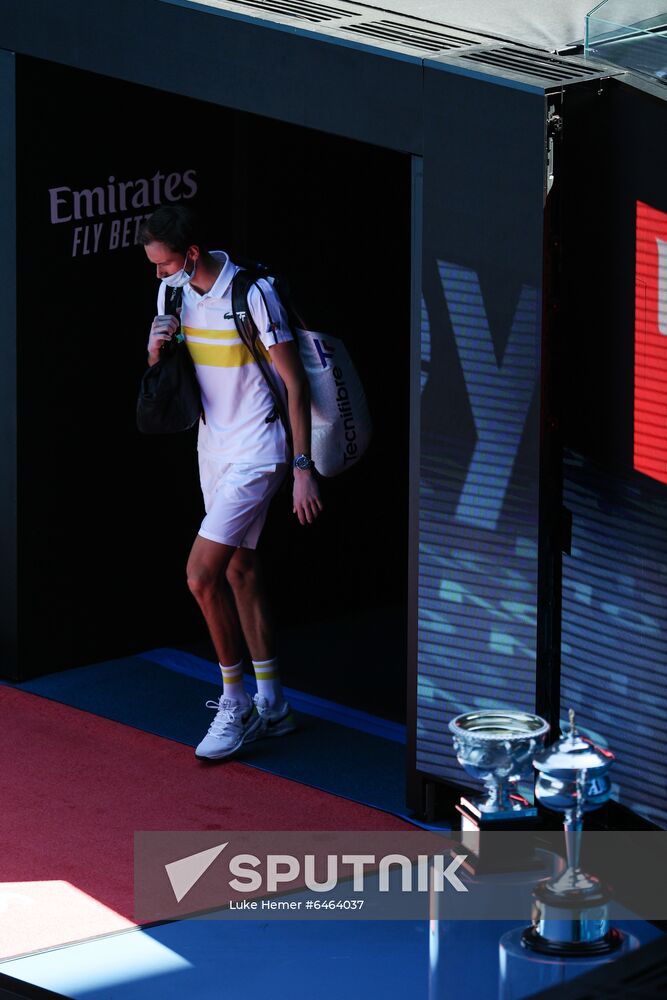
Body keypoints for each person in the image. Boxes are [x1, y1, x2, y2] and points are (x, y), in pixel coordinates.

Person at [139, 205, 322, 761]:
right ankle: (274, 706)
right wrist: (155, 351)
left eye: (164, 263)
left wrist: (302, 468)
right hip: (211, 450)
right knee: (240, 569)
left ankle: (235, 702)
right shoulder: (173, 295)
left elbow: (294, 383)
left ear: (190, 255)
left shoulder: (253, 293)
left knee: (200, 576)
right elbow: (168, 376)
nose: (158, 274)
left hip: (258, 453)